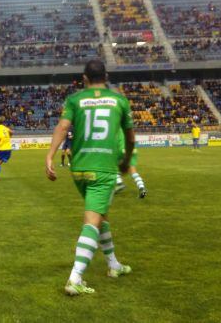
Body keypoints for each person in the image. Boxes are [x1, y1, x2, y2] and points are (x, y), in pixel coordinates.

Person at [45, 60, 134, 296]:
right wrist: (126, 161)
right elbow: (130, 135)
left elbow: (63, 128)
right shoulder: (119, 100)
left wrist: (50, 156)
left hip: (79, 169)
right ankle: (75, 277)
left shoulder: (75, 100)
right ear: (106, 76)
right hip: (103, 169)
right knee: (92, 220)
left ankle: (113, 265)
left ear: (84, 78)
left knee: (101, 216)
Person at [115, 128, 147, 198]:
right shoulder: (126, 128)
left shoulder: (116, 129)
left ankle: (119, 183)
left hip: (121, 150)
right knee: (133, 171)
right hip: (132, 150)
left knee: (113, 167)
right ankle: (142, 188)